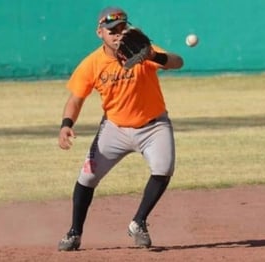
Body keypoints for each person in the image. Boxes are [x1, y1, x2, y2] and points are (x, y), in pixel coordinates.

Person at [57, 6, 184, 251]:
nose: (117, 34)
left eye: (122, 28)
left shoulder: (141, 50)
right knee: (87, 178)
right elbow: (75, 99)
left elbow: (178, 62)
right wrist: (66, 125)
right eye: (111, 30)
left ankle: (138, 222)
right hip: (114, 128)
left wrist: (154, 56)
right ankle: (74, 233)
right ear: (100, 33)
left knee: (163, 168)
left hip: (153, 125)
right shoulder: (92, 64)